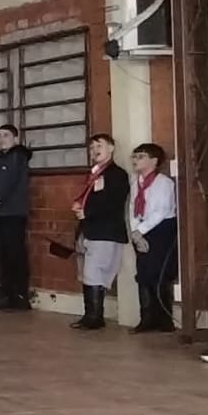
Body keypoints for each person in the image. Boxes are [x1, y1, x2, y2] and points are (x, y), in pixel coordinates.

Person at [71, 134, 129, 331]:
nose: (94, 150)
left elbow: (112, 202)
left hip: (105, 231)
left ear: (111, 148)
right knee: (88, 273)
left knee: (95, 273)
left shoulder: (116, 174)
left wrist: (87, 211)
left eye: (99, 146)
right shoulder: (94, 174)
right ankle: (91, 314)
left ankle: (94, 317)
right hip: (90, 230)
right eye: (91, 147)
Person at [0, 124, 33, 310]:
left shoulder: (17, 157)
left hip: (13, 213)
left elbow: (8, 182)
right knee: (2, 255)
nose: (1, 139)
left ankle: (19, 296)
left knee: (15, 255)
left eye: (6, 135)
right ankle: (7, 294)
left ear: (15, 138)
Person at [129, 142, 178, 335]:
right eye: (134, 156)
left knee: (160, 274)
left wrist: (141, 230)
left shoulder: (164, 183)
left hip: (161, 230)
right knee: (143, 274)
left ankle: (164, 320)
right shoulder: (136, 184)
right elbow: (132, 209)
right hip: (141, 231)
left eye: (140, 156)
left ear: (154, 161)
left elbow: (161, 210)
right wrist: (135, 232)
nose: (135, 160)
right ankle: (146, 318)